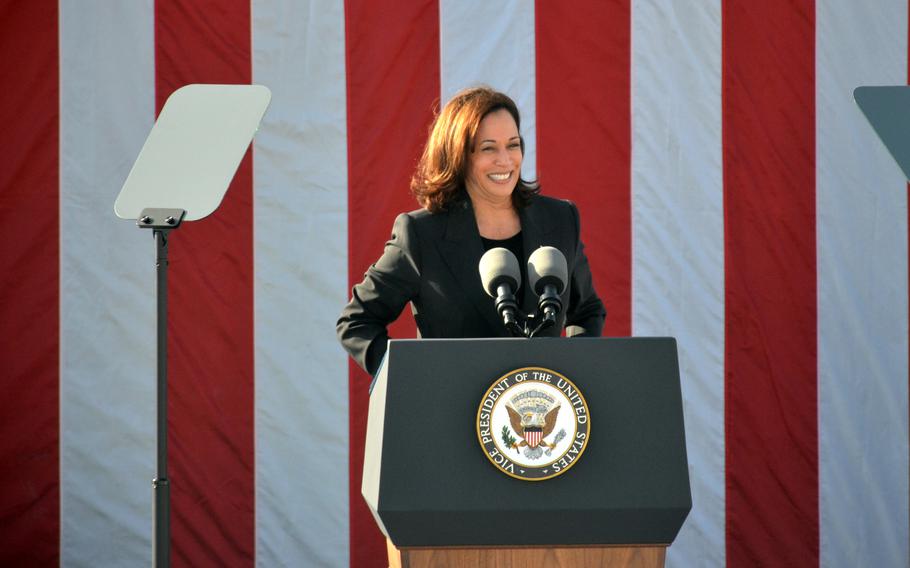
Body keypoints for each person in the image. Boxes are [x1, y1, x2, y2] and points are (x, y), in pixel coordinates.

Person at [337, 87, 605, 376]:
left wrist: (574, 372)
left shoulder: (560, 219)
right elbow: (357, 323)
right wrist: (411, 381)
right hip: (453, 416)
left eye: (513, 145)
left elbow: (586, 310)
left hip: (541, 414)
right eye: (489, 148)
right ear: (459, 155)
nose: (505, 160)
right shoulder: (420, 234)